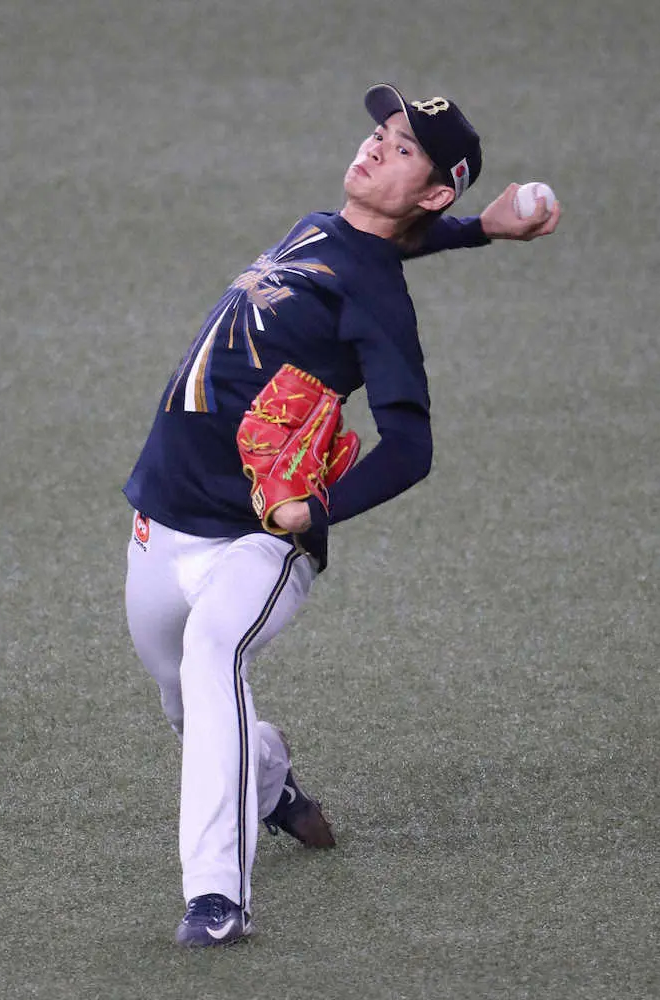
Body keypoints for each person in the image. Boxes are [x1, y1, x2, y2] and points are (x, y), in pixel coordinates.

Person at [123, 82, 560, 948]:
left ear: (430, 189)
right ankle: (271, 782)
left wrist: (314, 509)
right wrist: (481, 228)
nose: (375, 146)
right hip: (160, 517)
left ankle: (216, 899)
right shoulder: (321, 226)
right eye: (382, 132)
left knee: (214, 659)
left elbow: (410, 447)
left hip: (256, 541)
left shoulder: (381, 308)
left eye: (403, 149)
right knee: (185, 705)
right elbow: (381, 243)